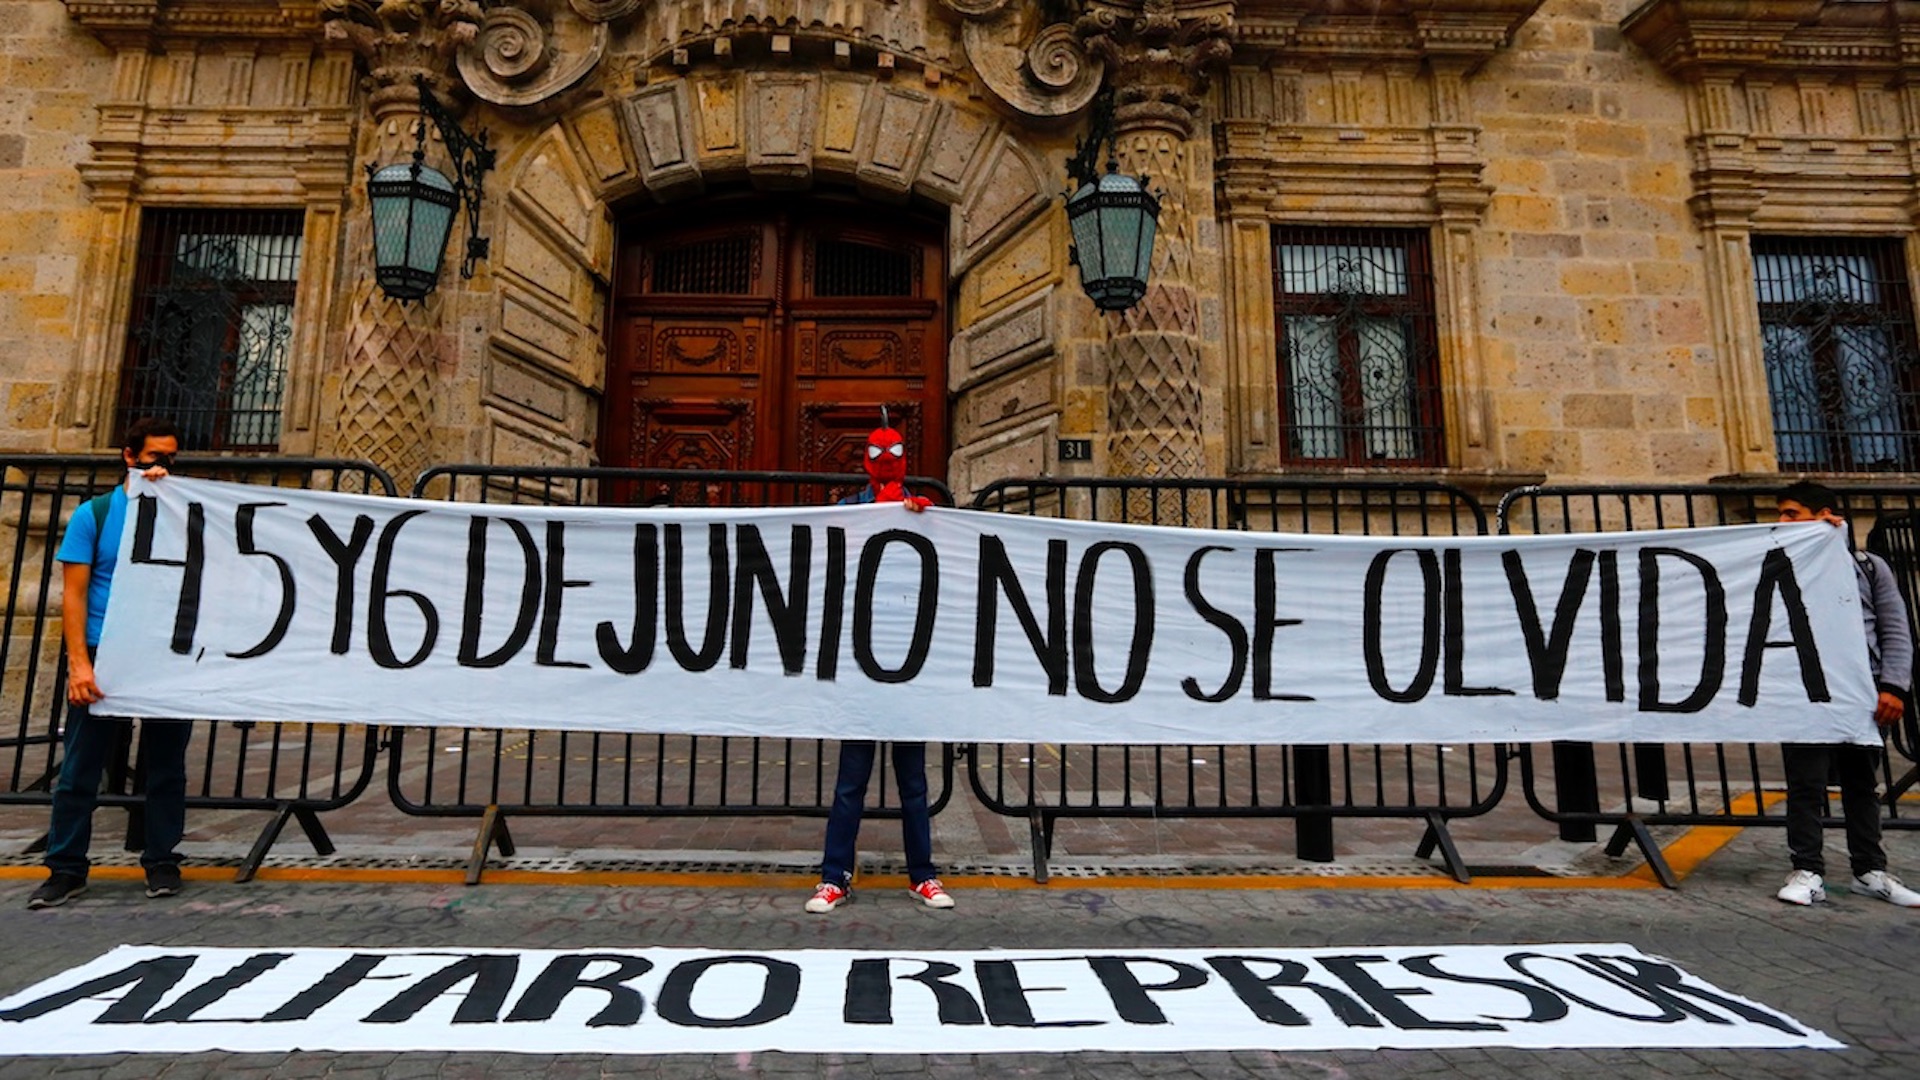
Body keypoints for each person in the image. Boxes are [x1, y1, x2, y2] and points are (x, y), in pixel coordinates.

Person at [27, 418, 190, 909]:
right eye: (154, 457)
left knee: (166, 765)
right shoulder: (94, 515)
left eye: (171, 458)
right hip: (105, 652)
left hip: (164, 653)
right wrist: (79, 664)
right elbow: (73, 596)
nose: (163, 466)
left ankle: (161, 860)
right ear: (129, 457)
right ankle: (66, 867)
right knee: (81, 765)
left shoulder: (184, 514)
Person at [805, 419, 953, 914]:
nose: (886, 460)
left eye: (893, 452)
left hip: (909, 662)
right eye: (877, 452)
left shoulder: (924, 511)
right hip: (862, 663)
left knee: (913, 781)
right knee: (852, 779)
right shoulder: (850, 510)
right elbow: (826, 550)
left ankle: (922, 874)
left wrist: (924, 522)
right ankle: (834, 877)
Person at [1773, 481, 1920, 907]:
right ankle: (1807, 869)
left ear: (1823, 516)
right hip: (1805, 691)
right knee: (1806, 783)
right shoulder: (1779, 564)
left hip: (1861, 691)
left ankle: (1869, 870)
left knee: (1861, 783)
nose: (1782, 521)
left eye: (1792, 513)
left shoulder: (1869, 567)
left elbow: (1895, 629)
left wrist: (1893, 686)